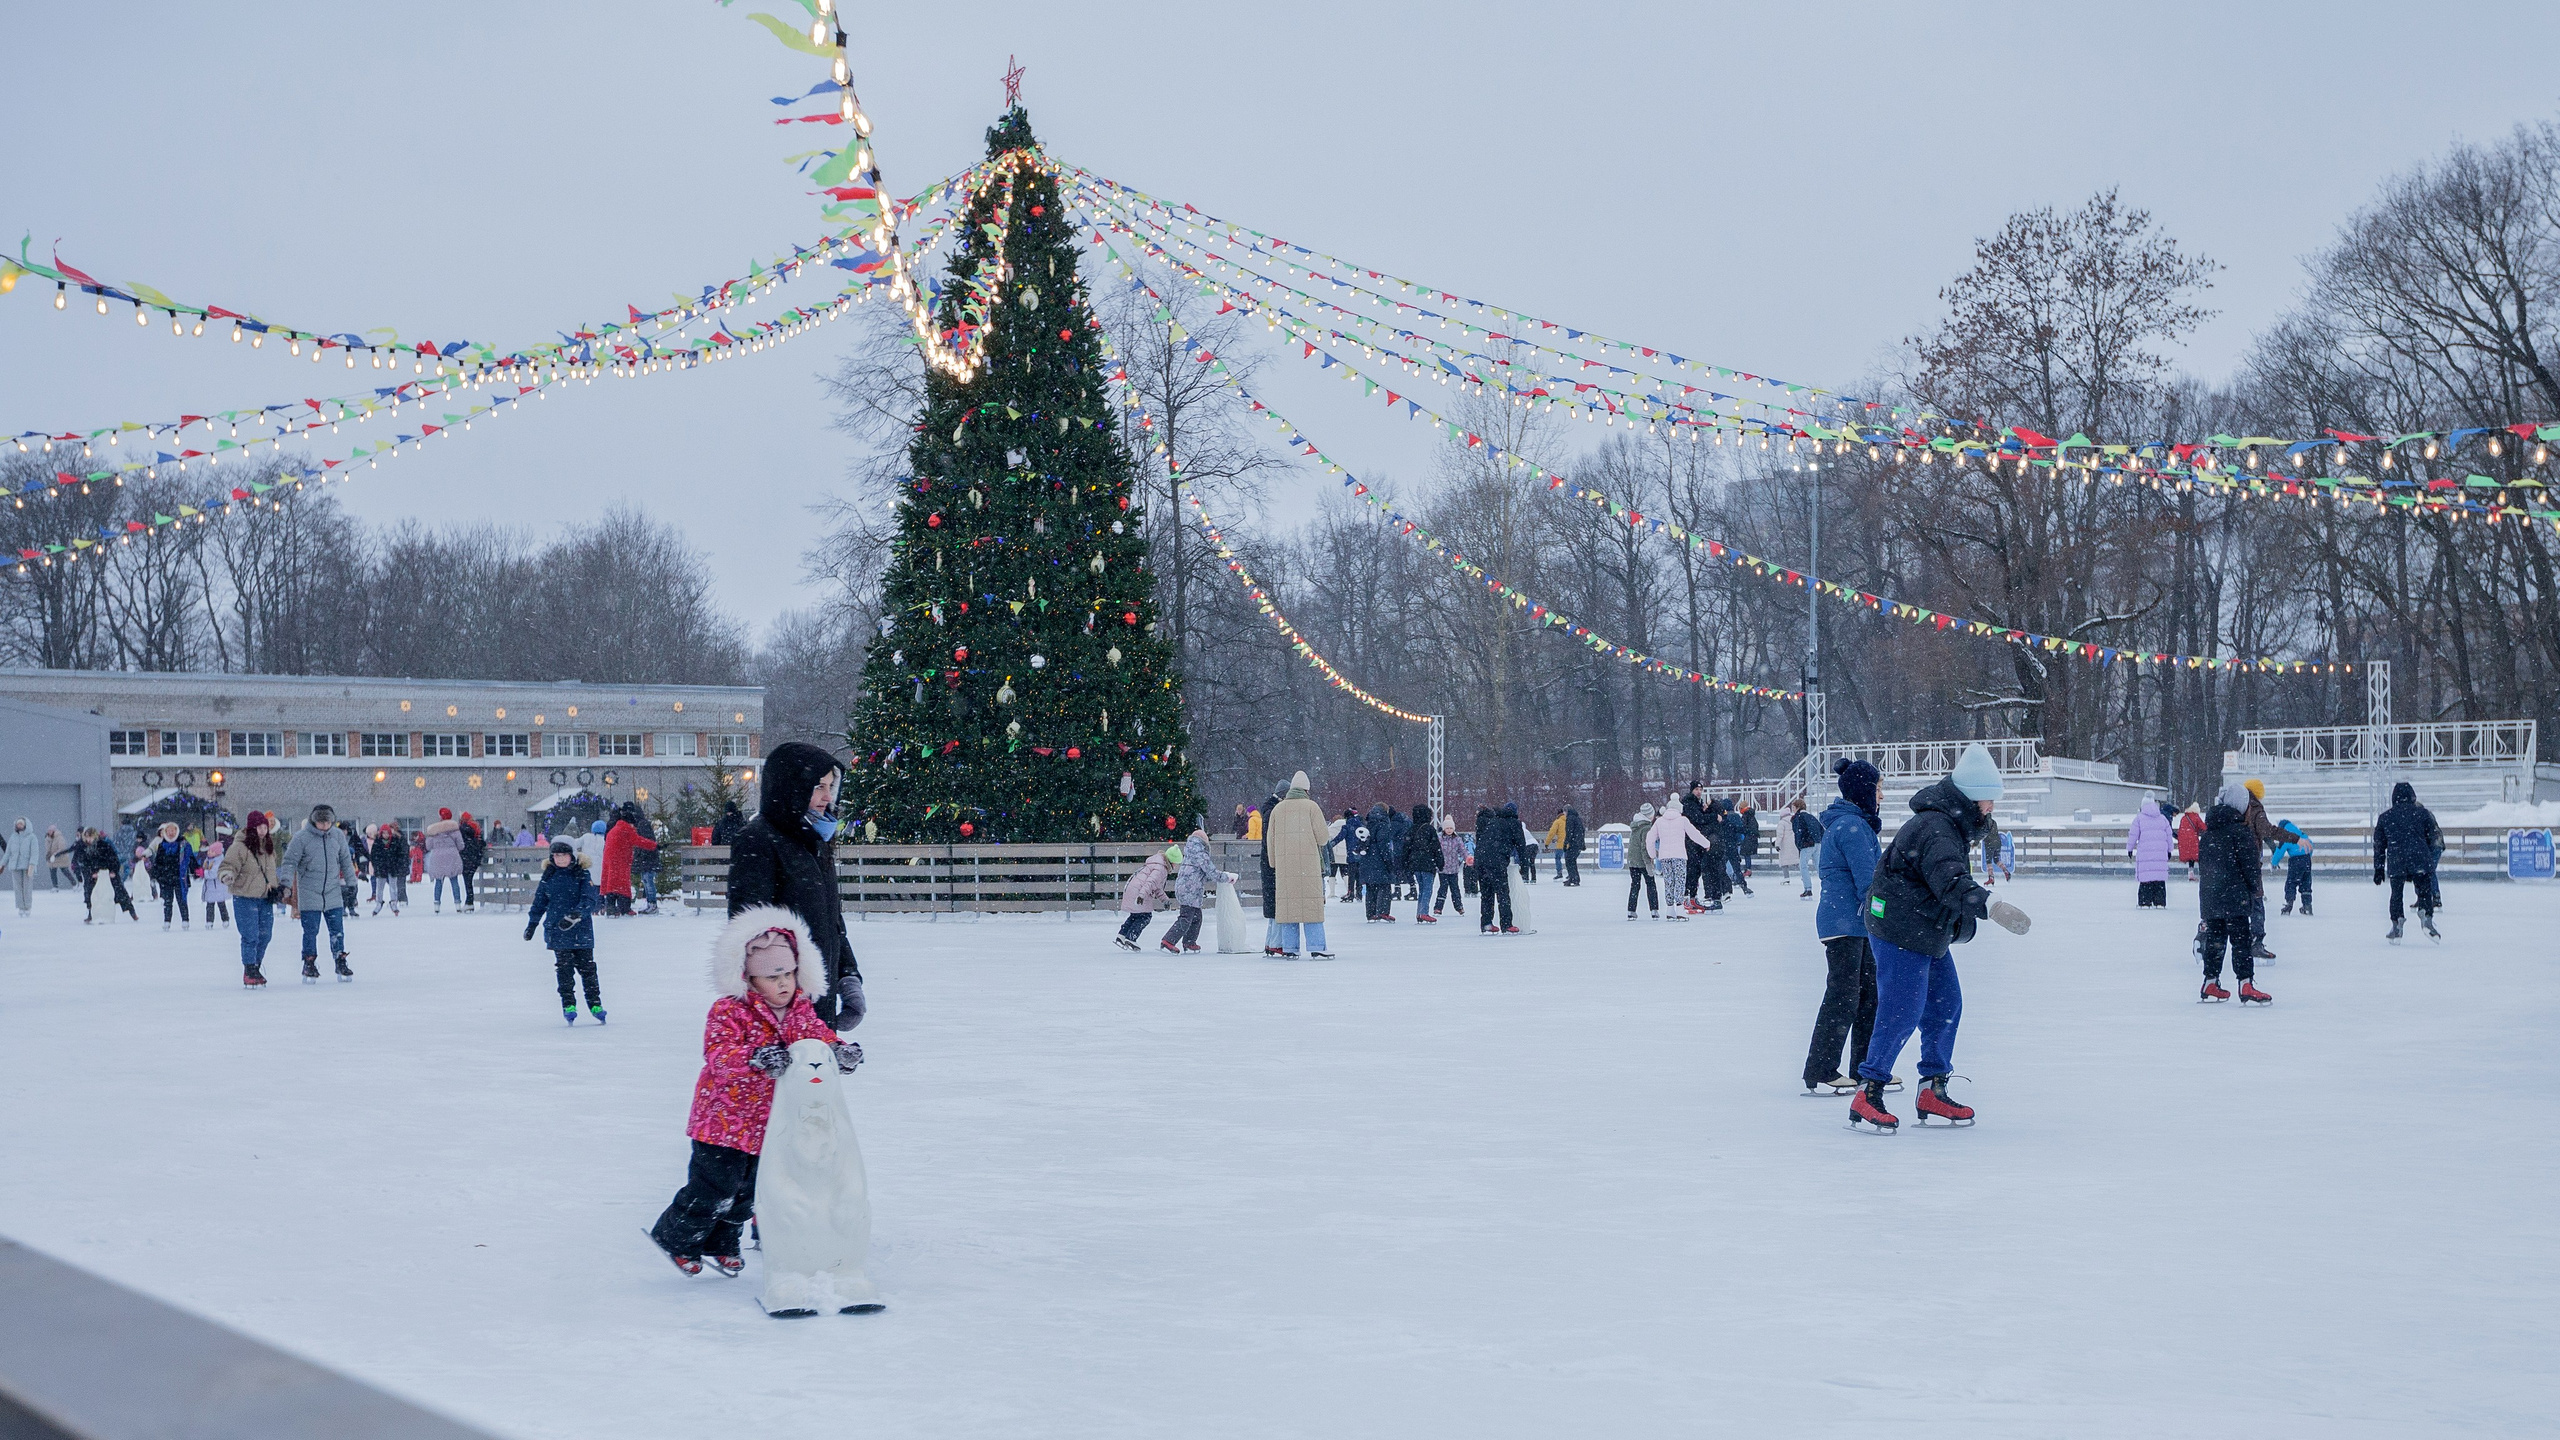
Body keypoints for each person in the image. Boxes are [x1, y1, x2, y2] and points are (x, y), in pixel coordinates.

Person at [648, 908, 859, 1277]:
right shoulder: (730, 1011)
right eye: (772, 976)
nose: (784, 983)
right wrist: (756, 1057)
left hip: (769, 1123)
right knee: (715, 1186)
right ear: (748, 978)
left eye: (789, 973)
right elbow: (718, 1055)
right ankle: (678, 1237)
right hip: (721, 1121)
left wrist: (837, 1051)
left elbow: (817, 1037)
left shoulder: (800, 1011)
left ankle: (723, 1242)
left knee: (749, 1191)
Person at [1849, 743, 2033, 1133]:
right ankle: (1869, 1089)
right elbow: (1949, 881)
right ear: (1969, 798)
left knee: (1946, 1004)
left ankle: (1933, 1087)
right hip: (1900, 928)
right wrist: (1991, 905)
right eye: (1987, 801)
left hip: (1923, 929)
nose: (1991, 809)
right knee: (1902, 1009)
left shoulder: (1952, 823)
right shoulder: (1937, 828)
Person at [723, 740, 867, 1030]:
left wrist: (848, 977)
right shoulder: (759, 839)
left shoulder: (816, 839)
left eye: (830, 787)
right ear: (791, 788)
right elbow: (749, 933)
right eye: (818, 787)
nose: (827, 797)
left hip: (817, 1005)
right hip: (779, 1010)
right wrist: (773, 1011)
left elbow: (830, 922)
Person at [1806, 759, 1884, 1094]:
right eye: (1879, 787)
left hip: (1855, 923)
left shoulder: (1854, 824)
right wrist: (1888, 916)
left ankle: (1864, 1068)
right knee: (1844, 995)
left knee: (1869, 996)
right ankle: (1821, 1069)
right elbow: (1869, 884)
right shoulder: (1852, 827)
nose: (1882, 794)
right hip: (1845, 922)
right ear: (1865, 790)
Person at [2196, 780, 2273, 1004]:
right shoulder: (2241, 833)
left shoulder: (2208, 834)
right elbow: (2250, 867)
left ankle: (2210, 982)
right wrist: (2253, 890)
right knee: (2241, 939)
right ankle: (2246, 983)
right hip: (2235, 897)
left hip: (2211, 896)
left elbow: (2206, 867)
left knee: (2215, 938)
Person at [524, 839, 606, 1023]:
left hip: (581, 931)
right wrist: (532, 925)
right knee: (564, 969)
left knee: (588, 969)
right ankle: (568, 1004)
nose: (560, 859)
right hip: (557, 931)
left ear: (572, 856)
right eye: (557, 856)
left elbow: (590, 899)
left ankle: (595, 1003)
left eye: (564, 855)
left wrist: (576, 915)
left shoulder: (582, 874)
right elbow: (539, 902)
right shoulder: (549, 876)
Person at [282, 805, 357, 982]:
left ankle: (340, 960)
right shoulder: (301, 838)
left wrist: (352, 884)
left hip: (332, 891)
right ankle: (309, 962)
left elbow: (346, 861)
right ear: (314, 821)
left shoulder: (337, 836)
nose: (324, 826)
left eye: (328, 822)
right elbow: (289, 862)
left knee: (337, 930)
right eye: (321, 822)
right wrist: (285, 883)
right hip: (309, 891)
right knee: (310, 931)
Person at [1264, 772, 1332, 958]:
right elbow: (1323, 838)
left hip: (1285, 868)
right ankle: (1317, 946)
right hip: (1309, 867)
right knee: (1311, 907)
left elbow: (1270, 839)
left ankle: (1290, 948)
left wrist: (1273, 862)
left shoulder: (1278, 809)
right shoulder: (1311, 807)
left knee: (1288, 908)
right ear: (1306, 789)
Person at [2373, 780, 2443, 942]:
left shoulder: (2385, 817)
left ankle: (2397, 925)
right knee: (2424, 890)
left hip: (2397, 860)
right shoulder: (2423, 813)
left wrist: (2378, 868)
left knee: (2396, 894)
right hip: (2420, 858)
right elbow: (2433, 836)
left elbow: (2379, 845)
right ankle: (2426, 919)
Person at [218, 811, 282, 987]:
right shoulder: (240, 847)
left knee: (265, 935)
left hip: (265, 898)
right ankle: (249, 970)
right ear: (252, 828)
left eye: (265, 827)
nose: (263, 830)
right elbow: (228, 865)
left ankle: (256, 966)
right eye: (260, 827)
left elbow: (271, 871)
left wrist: (277, 886)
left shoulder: (268, 847)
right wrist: (227, 875)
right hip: (245, 897)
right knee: (250, 935)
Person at [1164, 829, 1236, 953]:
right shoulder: (1200, 853)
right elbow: (1211, 871)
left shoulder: (1190, 851)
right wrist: (1226, 877)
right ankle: (1168, 940)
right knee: (1186, 917)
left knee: (1196, 916)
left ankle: (1189, 942)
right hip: (1190, 890)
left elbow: (1201, 873)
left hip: (1185, 888)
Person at [1646, 794, 1707, 922]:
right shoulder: (1682, 820)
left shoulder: (1659, 821)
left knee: (1669, 881)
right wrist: (1706, 844)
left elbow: (1650, 839)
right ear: (1679, 809)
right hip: (1679, 855)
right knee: (1680, 881)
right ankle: (1680, 909)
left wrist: (1652, 855)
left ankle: (1670, 909)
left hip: (1664, 856)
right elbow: (1694, 834)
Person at [1474, 802, 1523, 933]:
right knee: (1502, 893)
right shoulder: (1514, 823)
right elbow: (1521, 845)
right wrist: (1524, 866)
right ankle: (1507, 925)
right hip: (1495, 861)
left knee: (1486, 894)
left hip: (1481, 859)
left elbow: (1482, 839)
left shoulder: (1494, 821)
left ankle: (1486, 923)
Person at [1114, 845, 1177, 949]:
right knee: (1145, 916)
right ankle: (1131, 938)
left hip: (1134, 889)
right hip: (1139, 891)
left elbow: (1157, 888)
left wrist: (1165, 900)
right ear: (1171, 861)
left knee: (1135, 915)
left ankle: (1122, 935)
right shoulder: (1161, 868)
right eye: (1176, 863)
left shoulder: (1157, 864)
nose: (1176, 866)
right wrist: (1141, 896)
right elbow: (1150, 882)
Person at [76, 828, 136, 923]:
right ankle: (91, 913)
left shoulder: (104, 845)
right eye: (86, 837)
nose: (88, 839)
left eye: (90, 837)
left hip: (108, 872)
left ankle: (132, 911)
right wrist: (92, 873)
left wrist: (113, 871)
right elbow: (85, 863)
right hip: (95, 875)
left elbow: (113, 859)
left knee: (119, 891)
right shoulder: (84, 848)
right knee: (92, 894)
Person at [147, 821, 197, 930]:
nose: (171, 833)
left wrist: (196, 869)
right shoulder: (162, 845)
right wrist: (154, 874)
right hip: (166, 878)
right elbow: (158, 862)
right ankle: (167, 921)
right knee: (167, 901)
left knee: (182, 900)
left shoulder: (183, 844)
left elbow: (190, 858)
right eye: (168, 831)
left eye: (173, 830)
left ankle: (185, 920)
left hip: (180, 877)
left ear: (177, 831)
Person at [1402, 802, 1444, 921]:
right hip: (1427, 862)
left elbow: (1406, 848)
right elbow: (1436, 847)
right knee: (1427, 888)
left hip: (1415, 862)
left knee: (1421, 888)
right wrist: (1440, 862)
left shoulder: (1411, 829)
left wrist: (1405, 863)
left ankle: (1420, 912)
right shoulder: (1429, 829)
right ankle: (1424, 912)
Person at [2127, 798, 2173, 907]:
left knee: (2146, 878)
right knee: (2159, 879)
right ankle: (2160, 901)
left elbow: (2133, 835)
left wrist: (2130, 848)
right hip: (2160, 854)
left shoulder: (2139, 819)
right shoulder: (2163, 819)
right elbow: (2169, 836)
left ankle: (2145, 901)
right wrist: (2170, 850)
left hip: (2145, 854)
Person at [1354, 803, 1396, 922]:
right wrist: (1389, 861)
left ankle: (1371, 913)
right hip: (1379, 860)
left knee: (1370, 887)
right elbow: (1384, 845)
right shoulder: (1383, 824)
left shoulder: (1367, 823)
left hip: (1367, 859)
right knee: (1384, 886)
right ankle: (1383, 912)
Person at [423, 808, 466, 913]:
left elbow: (428, 846)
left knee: (438, 881)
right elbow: (461, 846)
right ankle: (457, 904)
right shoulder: (455, 830)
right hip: (452, 856)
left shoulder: (433, 830)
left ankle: (437, 905)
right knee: (454, 880)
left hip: (438, 857)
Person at [600, 811, 641, 917]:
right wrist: (655, 846)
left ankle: (611, 908)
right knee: (622, 885)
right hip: (620, 861)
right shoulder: (626, 830)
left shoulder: (613, 829)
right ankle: (624, 908)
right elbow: (639, 841)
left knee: (611, 885)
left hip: (610, 861)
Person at [1626, 803, 1659, 920]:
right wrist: (1649, 865)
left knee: (1635, 885)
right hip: (1642, 862)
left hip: (1632, 860)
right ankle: (1654, 910)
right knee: (1651, 884)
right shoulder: (1646, 828)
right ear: (1650, 815)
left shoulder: (1635, 826)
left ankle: (1631, 910)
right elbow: (1644, 847)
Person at [2273, 820, 2314, 916]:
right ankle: (2307, 905)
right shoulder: (2302, 834)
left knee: (2291, 882)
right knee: (2306, 883)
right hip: (2307, 859)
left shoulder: (2287, 837)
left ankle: (2289, 904)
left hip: (2295, 861)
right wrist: (2307, 856)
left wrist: (2274, 863)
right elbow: (2311, 844)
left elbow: (2279, 852)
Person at [1785, 798, 1823, 898]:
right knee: (1818, 865)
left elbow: (1798, 833)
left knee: (1803, 866)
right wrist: (1818, 839)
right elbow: (1821, 829)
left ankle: (1808, 889)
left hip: (1807, 844)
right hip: (1817, 843)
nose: (1792, 809)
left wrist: (1800, 845)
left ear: (1797, 807)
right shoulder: (1811, 817)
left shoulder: (1798, 818)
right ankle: (1827, 884)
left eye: (1793, 807)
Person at [199, 825, 233, 929]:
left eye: (212, 851)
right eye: (209, 851)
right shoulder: (208, 860)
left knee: (221, 905)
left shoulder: (218, 861)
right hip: (210, 888)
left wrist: (203, 873)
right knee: (210, 906)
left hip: (217, 887)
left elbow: (214, 873)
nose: (209, 853)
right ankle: (209, 921)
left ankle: (225, 919)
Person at [1, 817, 36, 918]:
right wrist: (2, 864)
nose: (19, 826)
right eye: (18, 824)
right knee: (18, 888)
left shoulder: (31, 837)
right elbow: (8, 853)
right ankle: (20, 907)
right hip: (15, 866)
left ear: (25, 825)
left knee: (27, 887)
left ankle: (27, 906)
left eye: (21, 824)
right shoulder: (13, 837)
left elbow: (34, 852)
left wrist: (32, 864)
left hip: (27, 866)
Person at [369, 823, 408, 916]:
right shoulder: (377, 843)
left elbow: (400, 854)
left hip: (393, 868)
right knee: (380, 887)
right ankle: (379, 902)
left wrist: (398, 864)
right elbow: (374, 856)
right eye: (384, 833)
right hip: (381, 868)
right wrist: (377, 866)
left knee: (393, 887)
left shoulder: (395, 842)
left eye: (387, 833)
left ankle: (394, 902)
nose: (385, 835)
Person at [1435, 814, 1466, 919]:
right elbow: (1435, 850)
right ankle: (1438, 908)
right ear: (1444, 828)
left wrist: (1467, 858)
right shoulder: (1439, 837)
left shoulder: (1457, 839)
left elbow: (1462, 850)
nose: (1449, 830)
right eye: (1447, 828)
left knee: (1455, 888)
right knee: (1443, 888)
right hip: (1442, 868)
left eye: (1451, 828)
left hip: (1453, 868)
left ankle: (1459, 906)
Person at [458, 811, 487, 913]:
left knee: (467, 880)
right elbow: (483, 842)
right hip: (475, 857)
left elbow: (460, 842)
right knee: (469, 879)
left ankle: (469, 902)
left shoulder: (462, 829)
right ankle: (469, 902)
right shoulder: (476, 828)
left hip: (467, 857)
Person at [2175, 803, 2205, 880]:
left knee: (2190, 857)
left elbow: (2181, 829)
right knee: (2198, 856)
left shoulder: (2184, 817)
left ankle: (2190, 874)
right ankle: (2202, 874)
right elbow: (2203, 827)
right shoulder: (2196, 817)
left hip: (2183, 839)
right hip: (2192, 839)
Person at [1560, 806, 1586, 886]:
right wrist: (1581, 842)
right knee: (1572, 861)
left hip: (1574, 843)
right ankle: (1574, 878)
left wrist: (1565, 843)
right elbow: (1582, 830)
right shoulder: (1577, 818)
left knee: (1569, 861)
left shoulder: (1570, 819)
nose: (1564, 813)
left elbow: (1569, 831)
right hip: (1578, 843)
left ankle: (1573, 878)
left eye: (1564, 811)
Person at [1976, 811, 2002, 887]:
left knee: (1989, 861)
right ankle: (2005, 870)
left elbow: (1981, 833)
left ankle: (1991, 877)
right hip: (1998, 842)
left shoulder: (1985, 823)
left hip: (1989, 843)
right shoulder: (1994, 822)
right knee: (1996, 859)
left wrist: (1976, 842)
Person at [45, 825, 73, 891]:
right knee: (52, 872)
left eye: (50, 830)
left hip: (61, 857)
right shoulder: (47, 838)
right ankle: (55, 886)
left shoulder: (59, 838)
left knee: (65, 871)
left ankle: (74, 883)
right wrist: (48, 855)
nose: (49, 832)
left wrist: (55, 854)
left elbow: (62, 848)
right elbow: (47, 848)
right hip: (52, 858)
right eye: (48, 830)